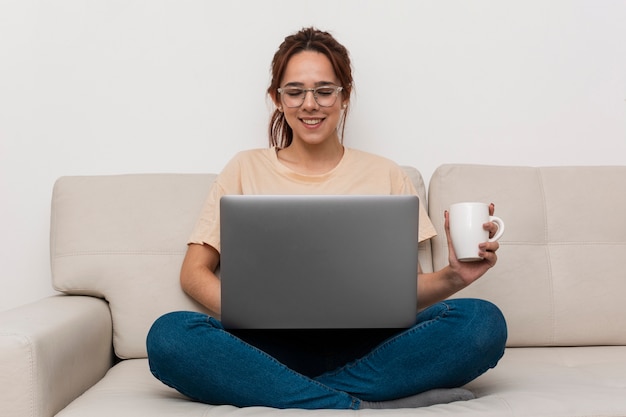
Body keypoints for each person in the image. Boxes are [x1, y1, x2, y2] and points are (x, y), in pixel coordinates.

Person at [146, 27, 507, 410]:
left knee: (482, 322)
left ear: (344, 96)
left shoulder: (386, 174)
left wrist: (454, 276)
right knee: (169, 336)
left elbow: (406, 293)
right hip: (266, 346)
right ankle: (359, 403)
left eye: (324, 90)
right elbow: (193, 272)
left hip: (370, 345)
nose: (310, 104)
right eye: (295, 91)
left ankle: (290, 393)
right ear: (277, 98)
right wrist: (256, 313)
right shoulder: (243, 168)